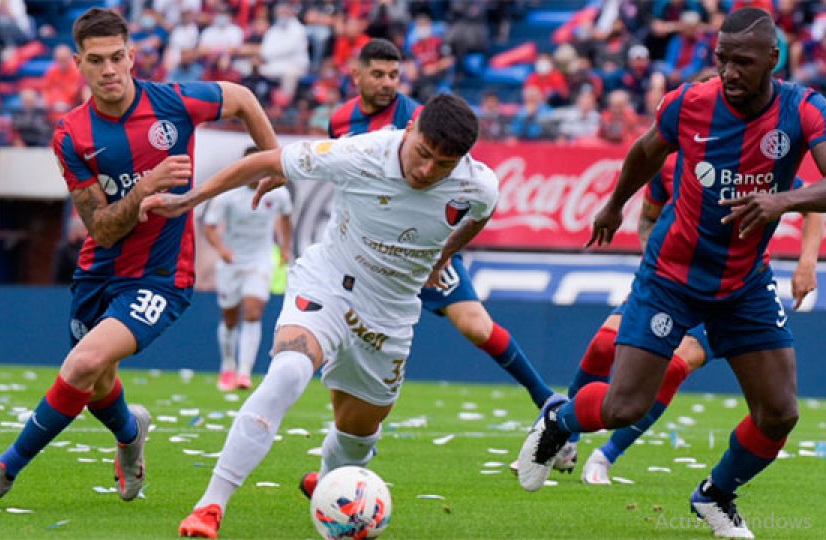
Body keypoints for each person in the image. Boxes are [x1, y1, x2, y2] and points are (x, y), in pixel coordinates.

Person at [516, 8, 826, 539]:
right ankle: (558, 421)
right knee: (624, 405)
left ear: (772, 60)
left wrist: (782, 201)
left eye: (742, 62)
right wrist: (613, 205)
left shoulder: (804, 109)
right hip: (671, 277)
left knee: (780, 413)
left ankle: (715, 495)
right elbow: (645, 152)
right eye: (722, 59)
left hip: (744, 283)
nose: (729, 72)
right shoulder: (690, 103)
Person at [0, 7, 278, 507]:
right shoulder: (71, 135)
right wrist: (144, 188)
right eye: (97, 60)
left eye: (118, 58)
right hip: (98, 272)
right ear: (78, 63)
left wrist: (273, 160)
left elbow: (245, 98)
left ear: (132, 56)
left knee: (81, 364)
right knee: (98, 382)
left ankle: (2, 471)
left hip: (161, 277)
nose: (110, 70)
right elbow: (100, 226)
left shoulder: (175, 102)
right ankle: (130, 433)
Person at [140, 94, 497, 539]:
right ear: (410, 130)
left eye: (443, 164)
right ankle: (210, 505)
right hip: (329, 282)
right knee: (288, 371)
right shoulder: (360, 152)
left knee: (357, 433)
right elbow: (262, 161)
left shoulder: (478, 185)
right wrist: (186, 201)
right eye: (423, 154)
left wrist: (444, 257)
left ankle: (330, 481)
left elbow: (478, 216)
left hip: (389, 314)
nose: (427, 171)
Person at [329, 38, 558, 435]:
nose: (387, 83)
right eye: (378, 74)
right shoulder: (339, 120)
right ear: (356, 75)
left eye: (394, 75)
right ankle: (349, 445)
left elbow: (462, 181)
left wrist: (441, 251)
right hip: (367, 250)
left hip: (421, 243)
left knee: (474, 325)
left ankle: (547, 399)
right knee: (350, 346)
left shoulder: (419, 118)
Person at [570, 159, 823, 485]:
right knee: (604, 343)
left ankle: (605, 456)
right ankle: (564, 436)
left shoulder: (751, 161)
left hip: (732, 291)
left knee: (677, 365)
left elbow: (813, 207)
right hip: (671, 285)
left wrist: (808, 262)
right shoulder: (669, 160)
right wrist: (661, 269)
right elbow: (649, 216)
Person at [202, 145, 293, 392]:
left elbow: (285, 218)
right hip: (232, 261)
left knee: (253, 313)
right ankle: (228, 365)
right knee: (230, 318)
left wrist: (285, 248)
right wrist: (222, 250)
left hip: (260, 259)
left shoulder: (279, 194)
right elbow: (209, 226)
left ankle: (244, 372)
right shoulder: (227, 195)